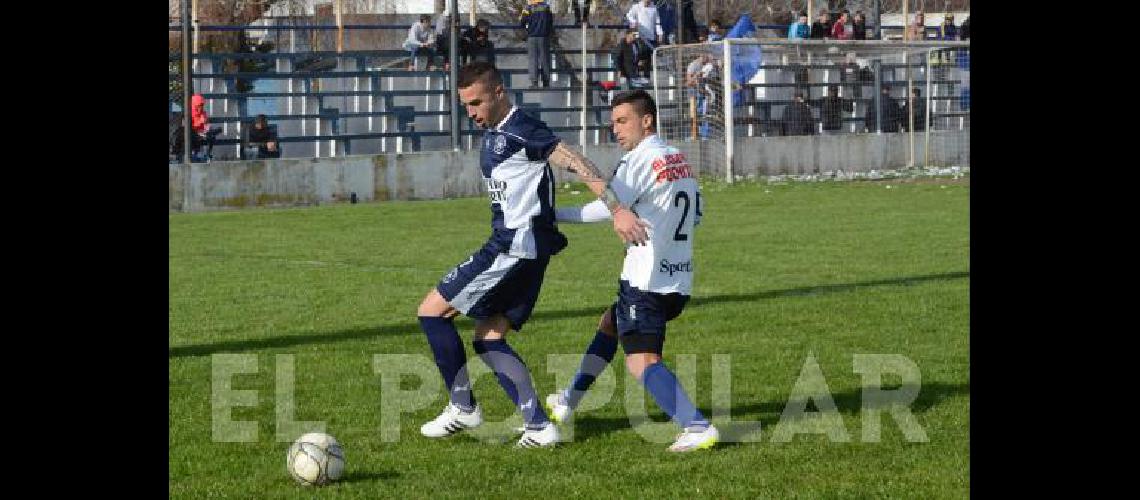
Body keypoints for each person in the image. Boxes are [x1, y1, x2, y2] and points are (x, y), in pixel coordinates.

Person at [416, 61, 595, 448]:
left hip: (513, 247)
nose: (472, 113)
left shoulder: (521, 127)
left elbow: (569, 157)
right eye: (466, 106)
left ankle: (463, 407)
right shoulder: (498, 131)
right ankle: (538, 425)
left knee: (432, 311)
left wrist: (616, 205)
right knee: (489, 338)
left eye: (476, 103)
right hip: (521, 247)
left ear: (498, 92)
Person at [544, 89, 719, 452]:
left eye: (623, 121)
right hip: (679, 279)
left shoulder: (638, 160)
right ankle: (568, 400)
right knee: (610, 323)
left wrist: (553, 216)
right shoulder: (679, 158)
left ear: (647, 120)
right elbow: (698, 213)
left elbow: (606, 207)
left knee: (642, 361)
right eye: (613, 123)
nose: (617, 130)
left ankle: (696, 426)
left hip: (645, 280)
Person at [520, 0, 554, 88]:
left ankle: (534, 82)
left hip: (532, 36)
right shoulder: (547, 8)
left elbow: (522, 22)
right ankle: (546, 82)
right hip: (544, 37)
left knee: (533, 60)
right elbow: (550, 22)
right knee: (545, 59)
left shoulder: (528, 8)